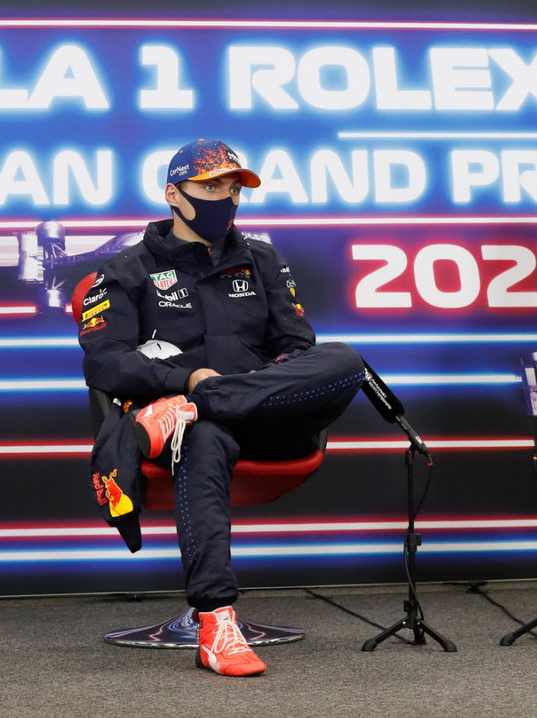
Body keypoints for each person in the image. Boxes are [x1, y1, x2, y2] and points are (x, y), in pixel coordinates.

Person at [80, 139, 366, 676]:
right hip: (189, 435)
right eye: (211, 187)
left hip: (266, 420)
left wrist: (205, 396)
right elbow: (105, 362)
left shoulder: (263, 260)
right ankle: (216, 621)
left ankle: (194, 408)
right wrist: (183, 377)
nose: (226, 198)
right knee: (205, 438)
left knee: (346, 360)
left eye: (233, 189)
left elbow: (299, 347)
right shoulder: (125, 270)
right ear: (173, 194)